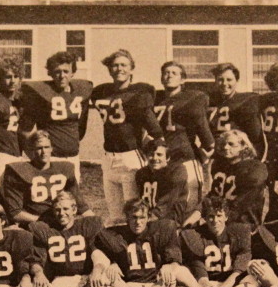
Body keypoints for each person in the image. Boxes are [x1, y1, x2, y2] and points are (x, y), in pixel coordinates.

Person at [89, 49, 164, 224]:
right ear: (109, 69)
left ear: (132, 69)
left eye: (124, 65)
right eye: (115, 65)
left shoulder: (140, 94)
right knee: (115, 215)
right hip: (108, 157)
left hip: (131, 156)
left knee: (135, 212)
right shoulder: (100, 92)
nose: (119, 69)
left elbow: (156, 131)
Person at [93, 199, 196, 287]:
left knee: (181, 271)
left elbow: (175, 261)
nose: (138, 222)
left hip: (156, 286)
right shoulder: (116, 235)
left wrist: (170, 266)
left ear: (148, 218)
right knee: (107, 274)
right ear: (127, 218)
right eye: (134, 217)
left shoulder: (161, 231)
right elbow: (99, 251)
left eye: (142, 217)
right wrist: (112, 264)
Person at [18, 51, 91, 179]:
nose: (62, 76)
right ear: (50, 73)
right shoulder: (40, 94)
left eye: (66, 71)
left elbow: (81, 127)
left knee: (71, 196)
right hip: (51, 157)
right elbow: (25, 130)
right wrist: (36, 156)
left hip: (73, 157)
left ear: (72, 73)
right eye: (57, 71)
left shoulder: (81, 92)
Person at [154, 61, 213, 217]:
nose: (169, 76)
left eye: (174, 73)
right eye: (166, 72)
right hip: (164, 161)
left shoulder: (192, 98)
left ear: (182, 80)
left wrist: (206, 151)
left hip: (185, 157)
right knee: (167, 203)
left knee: (191, 204)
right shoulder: (156, 100)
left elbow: (202, 128)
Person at [1, 132, 90, 226]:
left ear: (52, 148)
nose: (44, 152)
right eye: (39, 148)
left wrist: (94, 220)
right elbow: (15, 213)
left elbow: (81, 206)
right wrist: (43, 221)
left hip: (62, 220)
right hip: (36, 224)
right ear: (31, 150)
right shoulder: (18, 171)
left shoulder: (65, 169)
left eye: (46, 147)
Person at [179, 196, 251, 287]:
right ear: (205, 218)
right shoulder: (198, 235)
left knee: (251, 277)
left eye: (219, 215)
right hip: (206, 284)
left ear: (226, 217)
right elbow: (198, 269)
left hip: (232, 283)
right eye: (211, 216)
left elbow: (239, 268)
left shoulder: (237, 232)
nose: (215, 220)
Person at [209, 129, 268, 227]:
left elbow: (242, 202)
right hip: (219, 219)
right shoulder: (219, 165)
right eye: (224, 143)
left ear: (244, 146)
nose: (225, 147)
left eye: (231, 144)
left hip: (242, 222)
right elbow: (213, 194)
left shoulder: (255, 167)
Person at [208, 63, 264, 158]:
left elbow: (255, 135)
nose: (225, 83)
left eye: (229, 80)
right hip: (216, 152)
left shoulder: (245, 101)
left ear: (236, 80)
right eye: (220, 80)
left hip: (236, 153)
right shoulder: (210, 101)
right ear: (215, 81)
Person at [134, 140, 191, 225]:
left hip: (170, 221)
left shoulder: (177, 171)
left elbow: (167, 203)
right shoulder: (141, 173)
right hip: (147, 220)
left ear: (167, 158)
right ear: (145, 156)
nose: (155, 158)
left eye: (159, 154)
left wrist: (148, 218)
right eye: (151, 154)